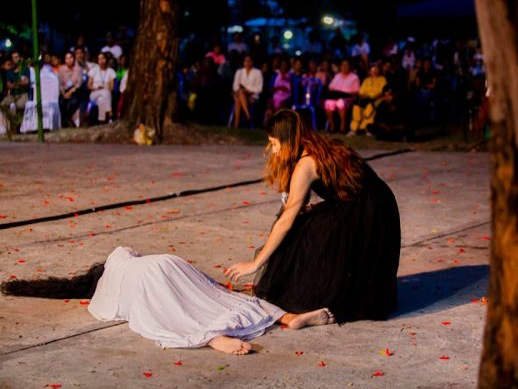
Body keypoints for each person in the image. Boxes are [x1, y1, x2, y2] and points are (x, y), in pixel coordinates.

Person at [226, 109, 401, 323]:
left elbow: (286, 220)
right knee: (306, 223)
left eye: (274, 143)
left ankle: (312, 299)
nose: (274, 150)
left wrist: (255, 263)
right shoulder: (318, 146)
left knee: (301, 231)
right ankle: (316, 293)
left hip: (369, 210)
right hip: (375, 203)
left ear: (287, 140)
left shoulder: (305, 164)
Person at [1, 246, 335, 355]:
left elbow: (109, 310)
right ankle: (286, 316)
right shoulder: (122, 258)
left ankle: (212, 337)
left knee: (170, 315)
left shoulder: (107, 285)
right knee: (217, 296)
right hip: (170, 263)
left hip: (150, 280)